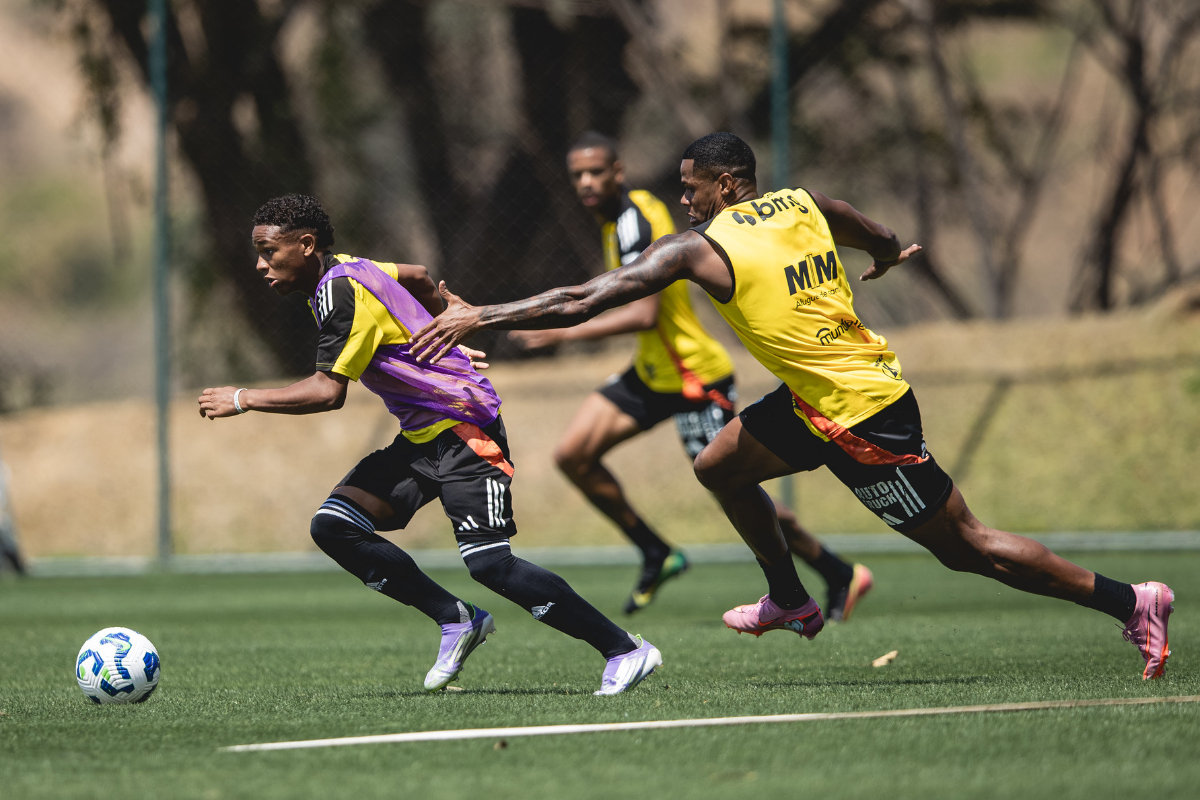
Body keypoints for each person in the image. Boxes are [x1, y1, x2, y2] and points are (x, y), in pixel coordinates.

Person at [411, 132, 1174, 680]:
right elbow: (863, 224)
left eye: (693, 186)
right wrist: (883, 252)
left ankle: (1131, 601)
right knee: (720, 467)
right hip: (816, 400)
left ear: (730, 185)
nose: (684, 197)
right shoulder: (800, 205)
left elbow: (583, 298)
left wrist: (485, 316)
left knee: (965, 547)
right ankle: (790, 598)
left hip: (863, 413)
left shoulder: (698, 248)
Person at [198, 194, 661, 695]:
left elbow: (328, 392)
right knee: (334, 526)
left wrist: (243, 398)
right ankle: (456, 619)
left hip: (465, 430)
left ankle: (626, 650)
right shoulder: (350, 267)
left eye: (270, 252)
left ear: (306, 245)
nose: (261, 265)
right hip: (423, 437)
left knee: (490, 562)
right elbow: (418, 275)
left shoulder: (339, 293)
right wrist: (447, 326)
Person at [508, 131, 873, 619]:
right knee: (574, 455)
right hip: (652, 373)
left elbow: (645, 315)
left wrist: (562, 336)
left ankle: (835, 571)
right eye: (577, 175)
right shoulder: (618, 218)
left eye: (596, 172)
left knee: (732, 478)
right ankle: (657, 554)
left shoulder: (635, 223)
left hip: (692, 376)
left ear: (619, 171)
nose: (586, 183)